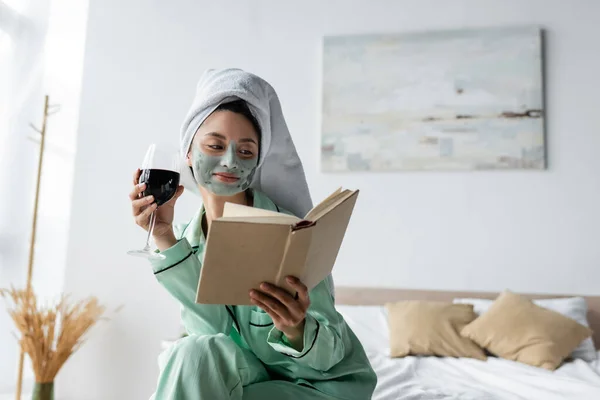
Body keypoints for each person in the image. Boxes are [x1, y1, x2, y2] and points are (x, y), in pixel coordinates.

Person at [129, 69, 377, 399]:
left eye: (245, 151)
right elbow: (209, 334)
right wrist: (163, 236)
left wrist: (297, 329)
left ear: (258, 159)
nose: (230, 161)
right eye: (215, 145)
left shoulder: (289, 233)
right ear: (188, 152)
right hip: (252, 380)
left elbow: (329, 356)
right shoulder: (187, 242)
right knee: (191, 353)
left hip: (317, 388)